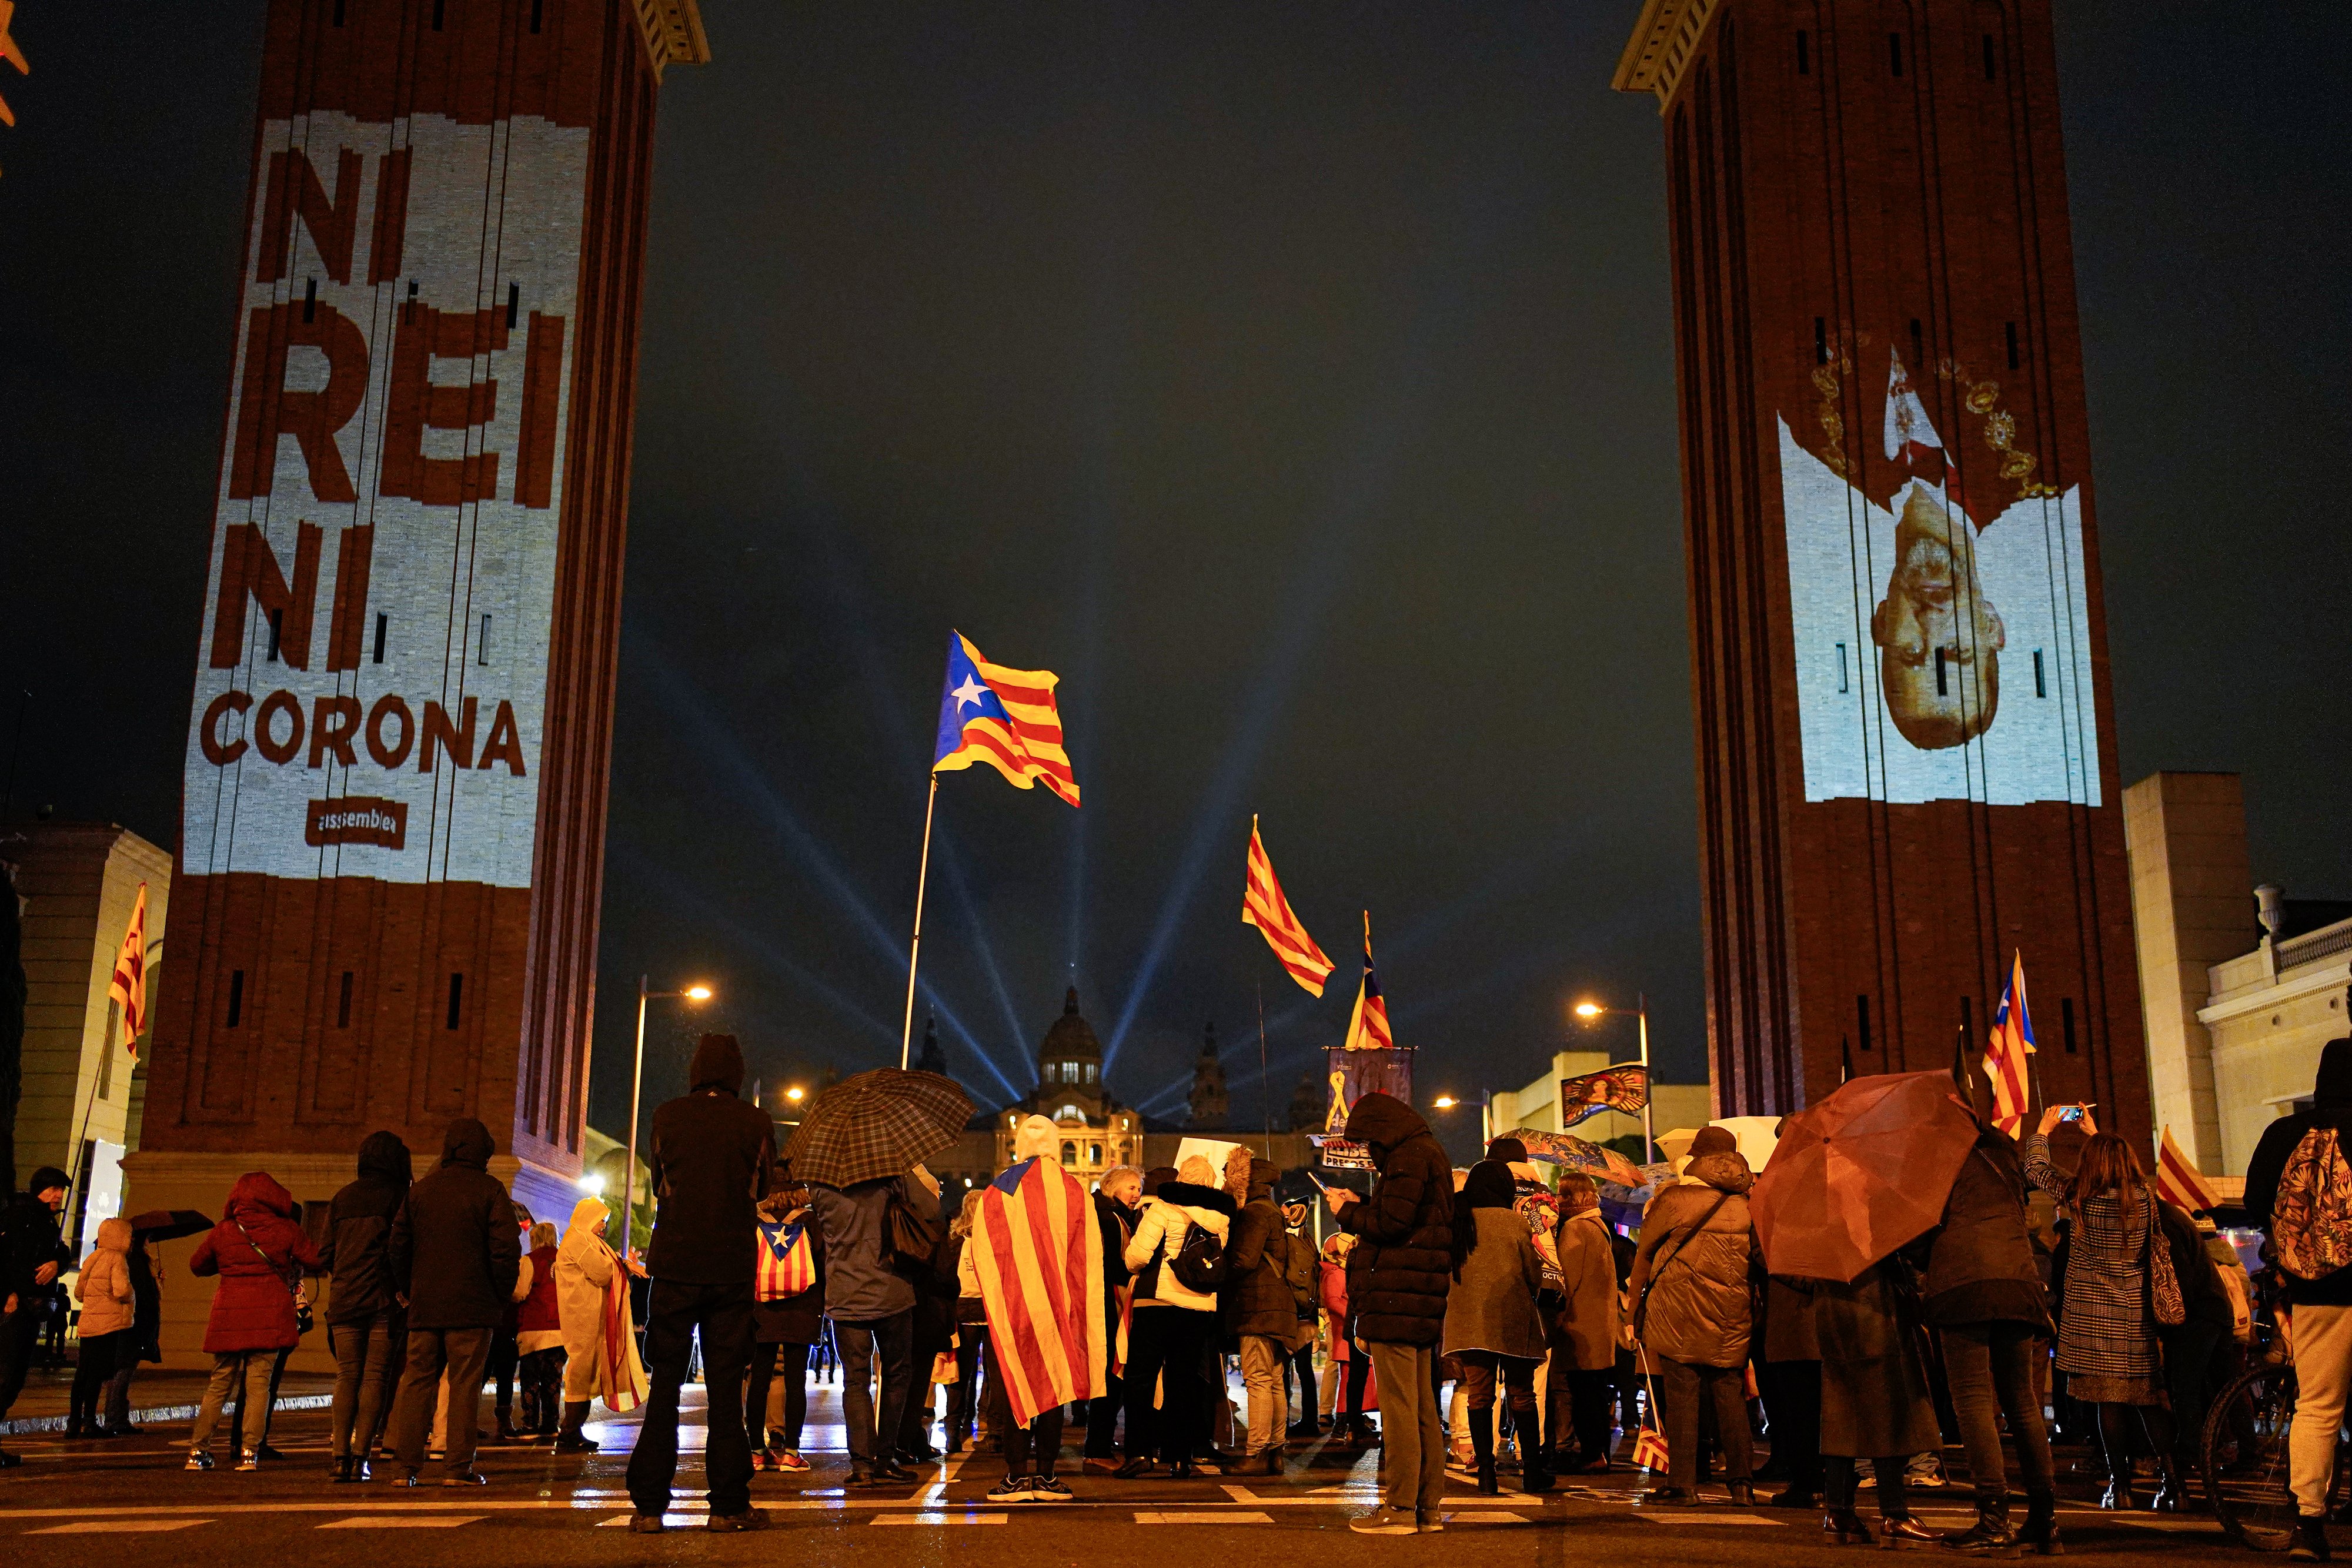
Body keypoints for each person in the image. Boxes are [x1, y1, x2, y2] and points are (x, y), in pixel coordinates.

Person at [627, 1032, 777, 1533]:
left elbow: (659, 1182)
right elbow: (762, 1186)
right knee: (725, 1390)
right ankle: (728, 1504)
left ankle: (649, 1505)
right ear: (736, 1075)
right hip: (730, 1266)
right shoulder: (755, 1120)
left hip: (674, 1263)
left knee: (665, 1385)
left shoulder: (666, 1115)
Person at [2022, 1106, 2180, 1512]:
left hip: (2093, 1315)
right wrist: (2097, 1133)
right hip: (2135, 1313)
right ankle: (2174, 1483)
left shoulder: (2080, 1198)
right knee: (2147, 1399)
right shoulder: (2144, 1200)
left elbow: (2037, 1169)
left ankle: (2121, 1486)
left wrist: (2044, 1129)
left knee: (2107, 1402)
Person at [1926, 1101, 2060, 1554]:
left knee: (1973, 1399)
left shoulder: (1939, 1159)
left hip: (1964, 1281)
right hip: (2018, 1280)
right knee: (2022, 1399)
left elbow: (1922, 1225)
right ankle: (2045, 1519)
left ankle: (1993, 1516)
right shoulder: (2001, 1152)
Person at [1324, 1092, 1454, 1536]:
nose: (1367, 1153)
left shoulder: (1408, 1156)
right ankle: (1426, 1509)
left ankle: (1400, 1508)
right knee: (1421, 1408)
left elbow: (1392, 1224)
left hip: (1399, 1296)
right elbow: (1405, 1215)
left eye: (1367, 1142)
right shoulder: (1427, 1152)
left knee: (1399, 1409)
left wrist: (1348, 1211)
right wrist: (1363, 1201)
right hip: (1419, 1296)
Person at [2244, 1038, 2352, 1562]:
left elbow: (2254, 1202)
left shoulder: (2285, 1134)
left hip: (2315, 1292)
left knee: (2318, 1406)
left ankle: (2309, 1523)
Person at [1626, 1124, 1762, 1507]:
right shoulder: (1746, 1203)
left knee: (1682, 1396)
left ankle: (1683, 1483)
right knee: (1730, 1396)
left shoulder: (1676, 1199)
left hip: (1678, 1311)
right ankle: (1742, 1484)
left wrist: (1632, 1308)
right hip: (1732, 1314)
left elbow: (1645, 1255)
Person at [385, 1117, 522, 1487]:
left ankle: (404, 1468)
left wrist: (410, 1288)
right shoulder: (490, 1191)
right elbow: (507, 1252)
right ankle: (456, 1468)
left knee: (417, 1382)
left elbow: (398, 1246)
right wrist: (498, 1293)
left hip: (425, 1306)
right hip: (473, 1308)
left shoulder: (421, 1192)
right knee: (464, 1384)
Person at [185, 1171, 322, 1471]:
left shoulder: (224, 1230)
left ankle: (197, 1453)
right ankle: (250, 1453)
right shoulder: (285, 1229)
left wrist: (229, 1267)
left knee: (218, 1385)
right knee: (260, 1385)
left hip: (229, 1315)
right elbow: (316, 1260)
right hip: (270, 1313)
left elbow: (198, 1265)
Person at [1806, 1256, 1940, 1546]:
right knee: (1888, 1402)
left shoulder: (1815, 1218)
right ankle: (1894, 1514)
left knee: (1841, 1407)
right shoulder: (1869, 1212)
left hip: (1831, 1304)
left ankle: (1839, 1513)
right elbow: (1886, 1253)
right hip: (1873, 1304)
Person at [807, 1156, 921, 1486]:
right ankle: (886, 1458)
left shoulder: (820, 1190)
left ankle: (861, 1465)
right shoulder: (889, 1181)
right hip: (892, 1291)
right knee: (898, 1374)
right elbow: (926, 1208)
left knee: (855, 1381)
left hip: (845, 1296)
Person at [1121, 1154, 1234, 1477]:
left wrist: (1131, 1258)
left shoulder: (1163, 1209)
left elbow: (1138, 1257)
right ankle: (1180, 1456)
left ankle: (1140, 1452)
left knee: (1141, 1378)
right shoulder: (1221, 1219)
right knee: (1184, 1381)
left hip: (1157, 1302)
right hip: (1198, 1306)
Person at [1444, 1159, 1551, 1495]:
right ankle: (1532, 1472)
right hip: (1512, 1319)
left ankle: (1487, 1473)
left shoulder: (1458, 1222)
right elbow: (1534, 1273)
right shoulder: (1514, 1223)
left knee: (1479, 1396)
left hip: (1468, 1322)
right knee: (1522, 1395)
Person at [321, 1131, 412, 1480]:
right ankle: (361, 1457)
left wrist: (346, 1273)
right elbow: (400, 1250)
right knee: (375, 1377)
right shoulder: (397, 1196)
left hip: (343, 1300)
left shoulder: (342, 1198)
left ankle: (338, 1457)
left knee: (347, 1376)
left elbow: (325, 1253)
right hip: (382, 1301)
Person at [1224, 1156, 1297, 1476]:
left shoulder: (1254, 1213)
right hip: (1278, 1306)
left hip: (1258, 1306)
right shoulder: (1271, 1211)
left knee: (1257, 1380)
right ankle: (1276, 1452)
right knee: (1275, 1380)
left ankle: (1255, 1453)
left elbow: (1244, 1260)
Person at [553, 1193, 644, 1452]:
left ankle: (573, 1430)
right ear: (588, 1218)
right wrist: (624, 1267)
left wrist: (625, 1264)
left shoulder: (588, 1240)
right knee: (582, 1372)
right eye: (601, 1219)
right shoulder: (579, 1240)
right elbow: (604, 1272)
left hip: (592, 1316)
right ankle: (569, 1432)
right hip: (583, 1317)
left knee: (588, 1371)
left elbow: (609, 1266)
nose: (604, 1224)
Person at [747, 1177, 824, 1473]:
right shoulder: (811, 1222)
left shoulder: (753, 1221)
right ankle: (792, 1453)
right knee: (795, 1382)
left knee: (759, 1381)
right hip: (802, 1310)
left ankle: (756, 1450)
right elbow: (823, 1263)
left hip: (761, 1309)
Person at [0, 1166, 72, 1466]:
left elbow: (62, 1251)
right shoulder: (19, 1217)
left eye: (61, 1191)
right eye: (53, 1189)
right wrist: (8, 1293)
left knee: (14, 1377)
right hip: (14, 1308)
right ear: (39, 1189)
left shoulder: (46, 1222)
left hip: (33, 1308)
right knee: (5, 1375)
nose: (58, 1196)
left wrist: (58, 1263)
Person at [1549, 1172, 1620, 1474]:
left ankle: (1593, 1455)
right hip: (1599, 1326)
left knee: (1584, 1395)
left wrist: (1556, 1319)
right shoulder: (1599, 1225)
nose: (1557, 1201)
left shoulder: (1576, 1229)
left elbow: (1567, 1280)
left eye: (1561, 1195)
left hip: (1580, 1327)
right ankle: (1598, 1452)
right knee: (1595, 1392)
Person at [1084, 1166, 1141, 1473]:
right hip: (1110, 1302)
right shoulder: (1108, 1218)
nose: (1137, 1193)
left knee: (1112, 1376)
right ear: (1113, 1189)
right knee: (1110, 1376)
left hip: (1111, 1300)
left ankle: (1099, 1445)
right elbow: (1112, 1263)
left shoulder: (1112, 1215)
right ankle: (1096, 1449)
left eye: (1139, 1187)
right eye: (1131, 1187)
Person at [898, 1166, 955, 1462]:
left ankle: (901, 1441)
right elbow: (945, 1273)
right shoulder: (934, 1224)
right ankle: (908, 1441)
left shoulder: (895, 1218)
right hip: (927, 1310)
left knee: (896, 1380)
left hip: (897, 1308)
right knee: (919, 1381)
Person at [67, 1216, 135, 1437]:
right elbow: (121, 1290)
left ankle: (74, 1422)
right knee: (97, 1375)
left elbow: (79, 1293)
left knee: (83, 1374)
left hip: (88, 1323)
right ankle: (89, 1422)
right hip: (108, 1325)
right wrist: (133, 1293)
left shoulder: (93, 1257)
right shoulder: (117, 1259)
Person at [1320, 1232, 1374, 1446]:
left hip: (1350, 1326)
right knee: (1350, 1377)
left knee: (1354, 1378)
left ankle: (1354, 1421)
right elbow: (1335, 1301)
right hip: (1350, 1327)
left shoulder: (1345, 1269)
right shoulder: (1335, 1273)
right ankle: (1346, 1422)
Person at [946, 1188, 987, 1453]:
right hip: (988, 1307)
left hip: (961, 1308)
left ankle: (955, 1427)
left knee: (961, 1372)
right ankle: (993, 1429)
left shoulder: (953, 1239)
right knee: (995, 1375)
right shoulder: (993, 1238)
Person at [514, 1221, 563, 1437]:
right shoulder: (566, 1260)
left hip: (534, 1329)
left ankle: (530, 1425)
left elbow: (520, 1293)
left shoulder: (529, 1261)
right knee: (553, 1381)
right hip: (560, 1329)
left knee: (530, 1380)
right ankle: (551, 1425)